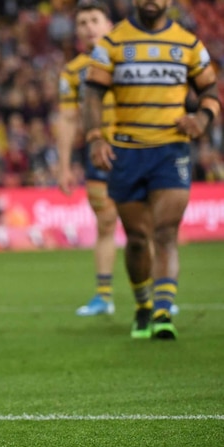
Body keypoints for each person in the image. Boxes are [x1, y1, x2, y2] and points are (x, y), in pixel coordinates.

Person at [82, 0, 219, 339]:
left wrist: (202, 118)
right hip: (126, 153)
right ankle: (143, 305)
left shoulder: (188, 44)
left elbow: (211, 91)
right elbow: (92, 96)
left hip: (171, 151)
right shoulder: (111, 44)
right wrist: (96, 139)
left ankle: (162, 312)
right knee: (139, 240)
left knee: (166, 233)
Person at [56, 0, 118, 317]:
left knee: (143, 225)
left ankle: (156, 298)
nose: (89, 27)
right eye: (82, 23)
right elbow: (67, 120)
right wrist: (64, 166)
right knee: (105, 222)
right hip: (96, 152)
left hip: (134, 148)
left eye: (95, 20)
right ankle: (103, 296)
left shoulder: (125, 59)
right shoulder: (71, 72)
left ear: (109, 25)